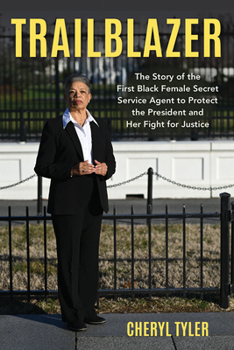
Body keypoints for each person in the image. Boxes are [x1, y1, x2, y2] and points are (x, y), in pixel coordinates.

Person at [34, 74, 116, 332]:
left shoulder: (100, 125)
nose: (77, 95)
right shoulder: (55, 126)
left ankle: (88, 309)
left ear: (89, 97)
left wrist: (105, 169)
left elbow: (111, 162)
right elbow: (42, 166)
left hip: (94, 200)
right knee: (69, 259)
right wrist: (71, 169)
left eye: (82, 91)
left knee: (89, 259)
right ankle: (72, 314)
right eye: (72, 91)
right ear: (66, 96)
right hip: (67, 203)